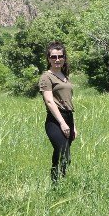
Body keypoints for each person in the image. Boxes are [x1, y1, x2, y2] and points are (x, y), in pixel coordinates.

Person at [39, 41, 76, 183]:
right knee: (63, 153)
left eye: (60, 56)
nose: (57, 60)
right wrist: (62, 123)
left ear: (64, 58)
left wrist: (73, 125)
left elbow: (69, 101)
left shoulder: (65, 76)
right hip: (55, 120)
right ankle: (57, 183)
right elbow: (49, 101)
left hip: (69, 117)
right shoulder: (46, 77)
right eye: (53, 57)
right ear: (48, 58)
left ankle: (58, 183)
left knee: (60, 154)